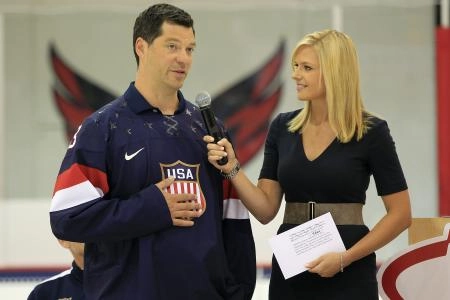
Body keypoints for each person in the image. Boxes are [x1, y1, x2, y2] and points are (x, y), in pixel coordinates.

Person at [49, 3, 256, 299]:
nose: (183, 58)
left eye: (190, 49)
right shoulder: (102, 128)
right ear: (141, 47)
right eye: (172, 46)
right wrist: (152, 207)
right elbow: (66, 217)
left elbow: (233, 220)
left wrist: (239, 293)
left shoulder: (210, 129)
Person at [204, 29, 412, 299]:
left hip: (349, 267)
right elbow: (266, 209)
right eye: (295, 66)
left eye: (306, 68)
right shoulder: (282, 127)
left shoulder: (371, 131)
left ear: (334, 72)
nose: (295, 75)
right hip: (292, 265)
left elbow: (400, 214)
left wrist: (345, 258)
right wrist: (232, 168)